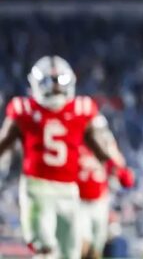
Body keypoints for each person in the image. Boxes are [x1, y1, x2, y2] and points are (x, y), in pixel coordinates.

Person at [0, 56, 127, 258]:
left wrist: (115, 167)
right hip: (37, 188)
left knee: (70, 252)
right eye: (50, 84)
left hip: (69, 189)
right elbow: (3, 143)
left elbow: (97, 145)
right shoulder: (23, 110)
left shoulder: (81, 109)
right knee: (45, 247)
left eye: (60, 83)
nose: (56, 89)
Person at [77, 116, 135, 259]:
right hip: (77, 203)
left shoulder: (107, 152)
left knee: (98, 246)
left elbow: (127, 181)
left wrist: (116, 160)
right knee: (81, 245)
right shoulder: (76, 149)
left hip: (99, 203)